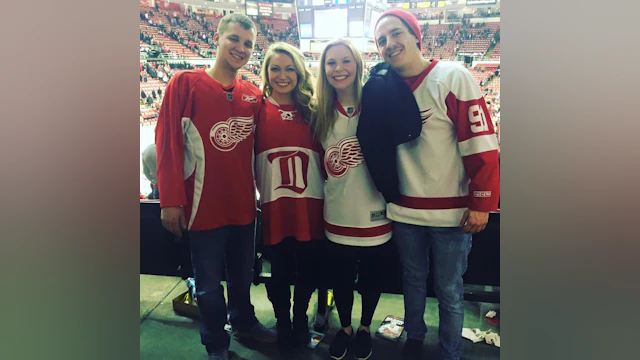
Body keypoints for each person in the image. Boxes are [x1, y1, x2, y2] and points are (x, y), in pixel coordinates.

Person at [360, 9, 500, 360]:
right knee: (412, 280)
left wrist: (482, 201)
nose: (389, 44)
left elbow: (480, 143)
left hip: (452, 215)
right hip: (405, 211)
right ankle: (415, 337)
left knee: (450, 289)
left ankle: (451, 351)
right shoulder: (379, 86)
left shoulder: (453, 77)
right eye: (381, 41)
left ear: (415, 35)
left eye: (396, 34)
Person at [155, 13, 277, 360]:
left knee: (242, 277)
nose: (241, 48)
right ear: (218, 39)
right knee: (208, 285)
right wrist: (171, 201)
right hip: (201, 207)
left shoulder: (253, 95)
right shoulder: (185, 83)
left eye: (248, 44)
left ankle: (244, 323)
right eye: (234, 39)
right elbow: (167, 144)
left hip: (242, 207)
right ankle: (216, 344)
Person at [313, 38, 394, 360]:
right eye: (331, 63)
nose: (339, 69)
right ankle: (345, 327)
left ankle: (364, 328)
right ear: (324, 69)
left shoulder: (376, 103)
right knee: (341, 279)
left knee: (372, 279)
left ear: (358, 65)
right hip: (337, 211)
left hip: (376, 210)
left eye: (346, 61)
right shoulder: (318, 111)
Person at [253, 42, 326, 351]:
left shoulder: (314, 109)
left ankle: (300, 320)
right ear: (266, 73)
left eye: (289, 69)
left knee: (308, 269)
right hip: (274, 207)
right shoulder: (255, 107)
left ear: (300, 72)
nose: (282, 76)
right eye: (275, 68)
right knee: (279, 271)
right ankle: (283, 322)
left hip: (311, 206)